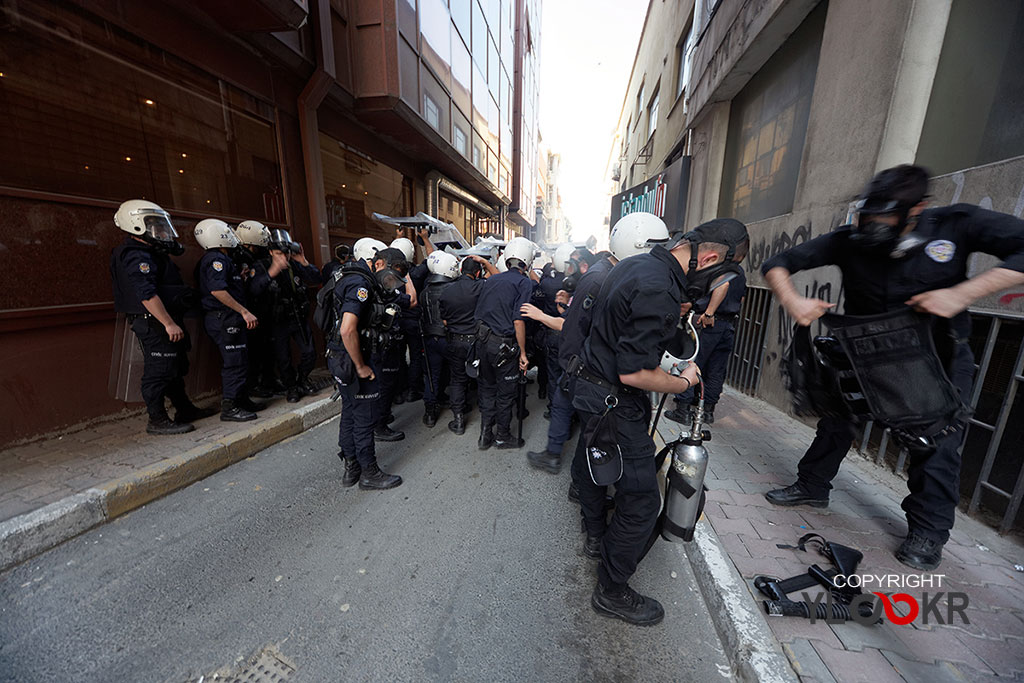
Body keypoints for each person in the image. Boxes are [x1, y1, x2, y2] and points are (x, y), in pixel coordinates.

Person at [762, 164, 1024, 571]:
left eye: (885, 218)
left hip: (937, 358)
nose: (874, 225)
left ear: (916, 210)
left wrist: (962, 293)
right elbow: (779, 263)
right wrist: (795, 302)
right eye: (869, 216)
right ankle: (812, 485)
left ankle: (927, 533)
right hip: (866, 353)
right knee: (837, 420)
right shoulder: (850, 241)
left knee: (938, 443)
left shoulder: (957, 225)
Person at [573, 217, 748, 626]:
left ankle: (596, 533)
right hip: (614, 401)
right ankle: (612, 590)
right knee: (642, 501)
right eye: (718, 277)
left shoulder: (635, 265)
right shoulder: (658, 287)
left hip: (591, 388)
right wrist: (682, 379)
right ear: (706, 258)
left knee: (596, 465)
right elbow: (633, 373)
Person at [110, 199, 214, 435]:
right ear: (136, 225)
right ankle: (157, 420)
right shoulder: (136, 256)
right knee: (159, 370)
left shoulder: (151, 252)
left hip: (164, 320)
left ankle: (184, 408)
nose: (162, 231)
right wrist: (167, 323)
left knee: (173, 367)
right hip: (154, 322)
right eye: (155, 225)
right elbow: (145, 294)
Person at [326, 238, 405, 490]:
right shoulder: (361, 283)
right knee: (364, 416)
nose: (389, 281)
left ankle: (351, 468)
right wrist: (361, 366)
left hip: (338, 356)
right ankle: (369, 473)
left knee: (349, 411)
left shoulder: (350, 274)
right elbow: (349, 329)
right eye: (390, 275)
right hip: (351, 358)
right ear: (378, 262)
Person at [195, 219, 267, 422]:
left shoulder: (224, 260)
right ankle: (231, 406)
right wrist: (244, 311)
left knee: (241, 361)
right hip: (224, 319)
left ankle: (242, 400)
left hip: (228, 319)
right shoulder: (215, 259)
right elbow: (217, 290)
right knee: (234, 363)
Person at [474, 236, 539, 450]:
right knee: (505, 393)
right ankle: (502, 435)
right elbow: (519, 320)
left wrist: (486, 264)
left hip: (483, 342)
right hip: (504, 345)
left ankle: (485, 434)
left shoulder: (491, 280)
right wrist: (523, 353)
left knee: (487, 388)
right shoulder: (524, 283)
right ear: (526, 261)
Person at [665, 267, 747, 424]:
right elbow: (741, 298)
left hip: (707, 321)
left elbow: (723, 285)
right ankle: (707, 412)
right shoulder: (739, 271)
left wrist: (709, 313)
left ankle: (683, 409)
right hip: (727, 323)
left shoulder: (719, 266)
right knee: (716, 369)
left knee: (691, 365)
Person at [261, 228, 322, 402]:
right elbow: (254, 288)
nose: (283, 257)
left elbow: (316, 278)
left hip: (297, 316)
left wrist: (303, 261)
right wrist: (273, 270)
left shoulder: (293, 265)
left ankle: (302, 379)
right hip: (277, 320)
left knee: (309, 352)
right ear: (271, 251)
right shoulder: (263, 266)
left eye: (285, 253)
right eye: (279, 253)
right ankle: (292, 387)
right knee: (283, 358)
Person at [439, 255, 498, 434]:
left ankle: (458, 421)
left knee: (457, 380)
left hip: (455, 340)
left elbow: (444, 321)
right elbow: (498, 277)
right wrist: (487, 262)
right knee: (484, 379)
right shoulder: (481, 286)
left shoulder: (447, 290)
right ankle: (486, 423)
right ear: (478, 272)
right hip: (477, 341)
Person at [234, 220, 289, 399]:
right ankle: (254, 385)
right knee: (255, 352)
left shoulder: (255, 257)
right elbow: (253, 287)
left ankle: (269, 380)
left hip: (266, 311)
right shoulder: (241, 258)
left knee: (268, 351)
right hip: (251, 310)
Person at [371, 246, 417, 441]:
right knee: (382, 386)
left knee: (386, 385)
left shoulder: (385, 288)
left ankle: (380, 418)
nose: (393, 281)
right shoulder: (365, 285)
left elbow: (410, 301)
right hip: (376, 347)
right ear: (379, 264)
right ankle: (378, 426)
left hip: (384, 345)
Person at [419, 251, 460, 427]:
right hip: (449, 338)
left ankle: (430, 413)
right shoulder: (453, 290)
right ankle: (458, 409)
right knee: (456, 375)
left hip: (430, 339)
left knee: (431, 375)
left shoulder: (425, 291)